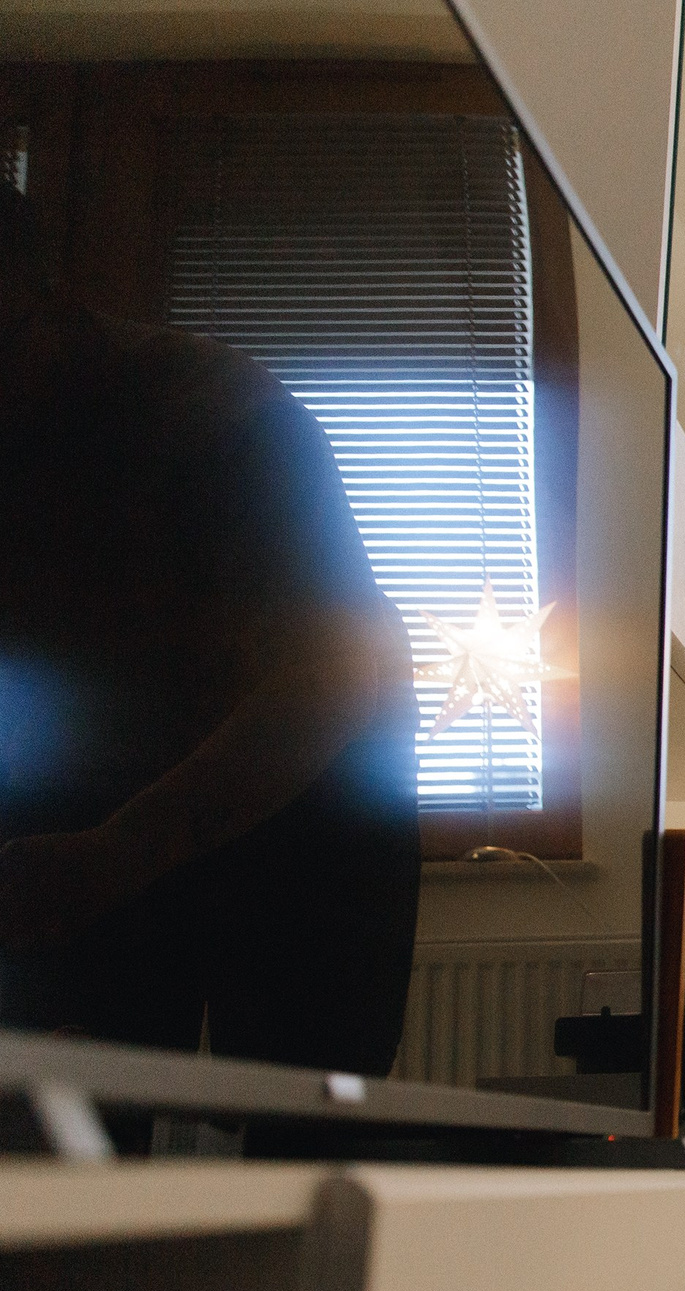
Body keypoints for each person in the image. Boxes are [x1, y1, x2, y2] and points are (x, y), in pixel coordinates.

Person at [0, 181, 421, 1108]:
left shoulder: (213, 410)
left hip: (320, 791)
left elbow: (328, 675)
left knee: (307, 1114)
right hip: (115, 779)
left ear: (35, 296)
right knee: (67, 1110)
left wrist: (114, 856)